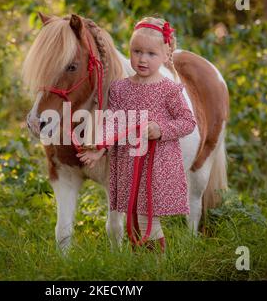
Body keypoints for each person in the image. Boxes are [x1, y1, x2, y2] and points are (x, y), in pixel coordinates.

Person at [77, 16, 197, 253]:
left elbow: (187, 121)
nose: (142, 59)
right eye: (136, 51)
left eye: (151, 54)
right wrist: (99, 147)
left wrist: (161, 129)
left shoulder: (169, 90)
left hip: (156, 165)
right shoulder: (120, 88)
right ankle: (139, 265)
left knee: (147, 220)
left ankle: (156, 267)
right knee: (132, 218)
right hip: (128, 164)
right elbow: (112, 123)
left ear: (165, 56)